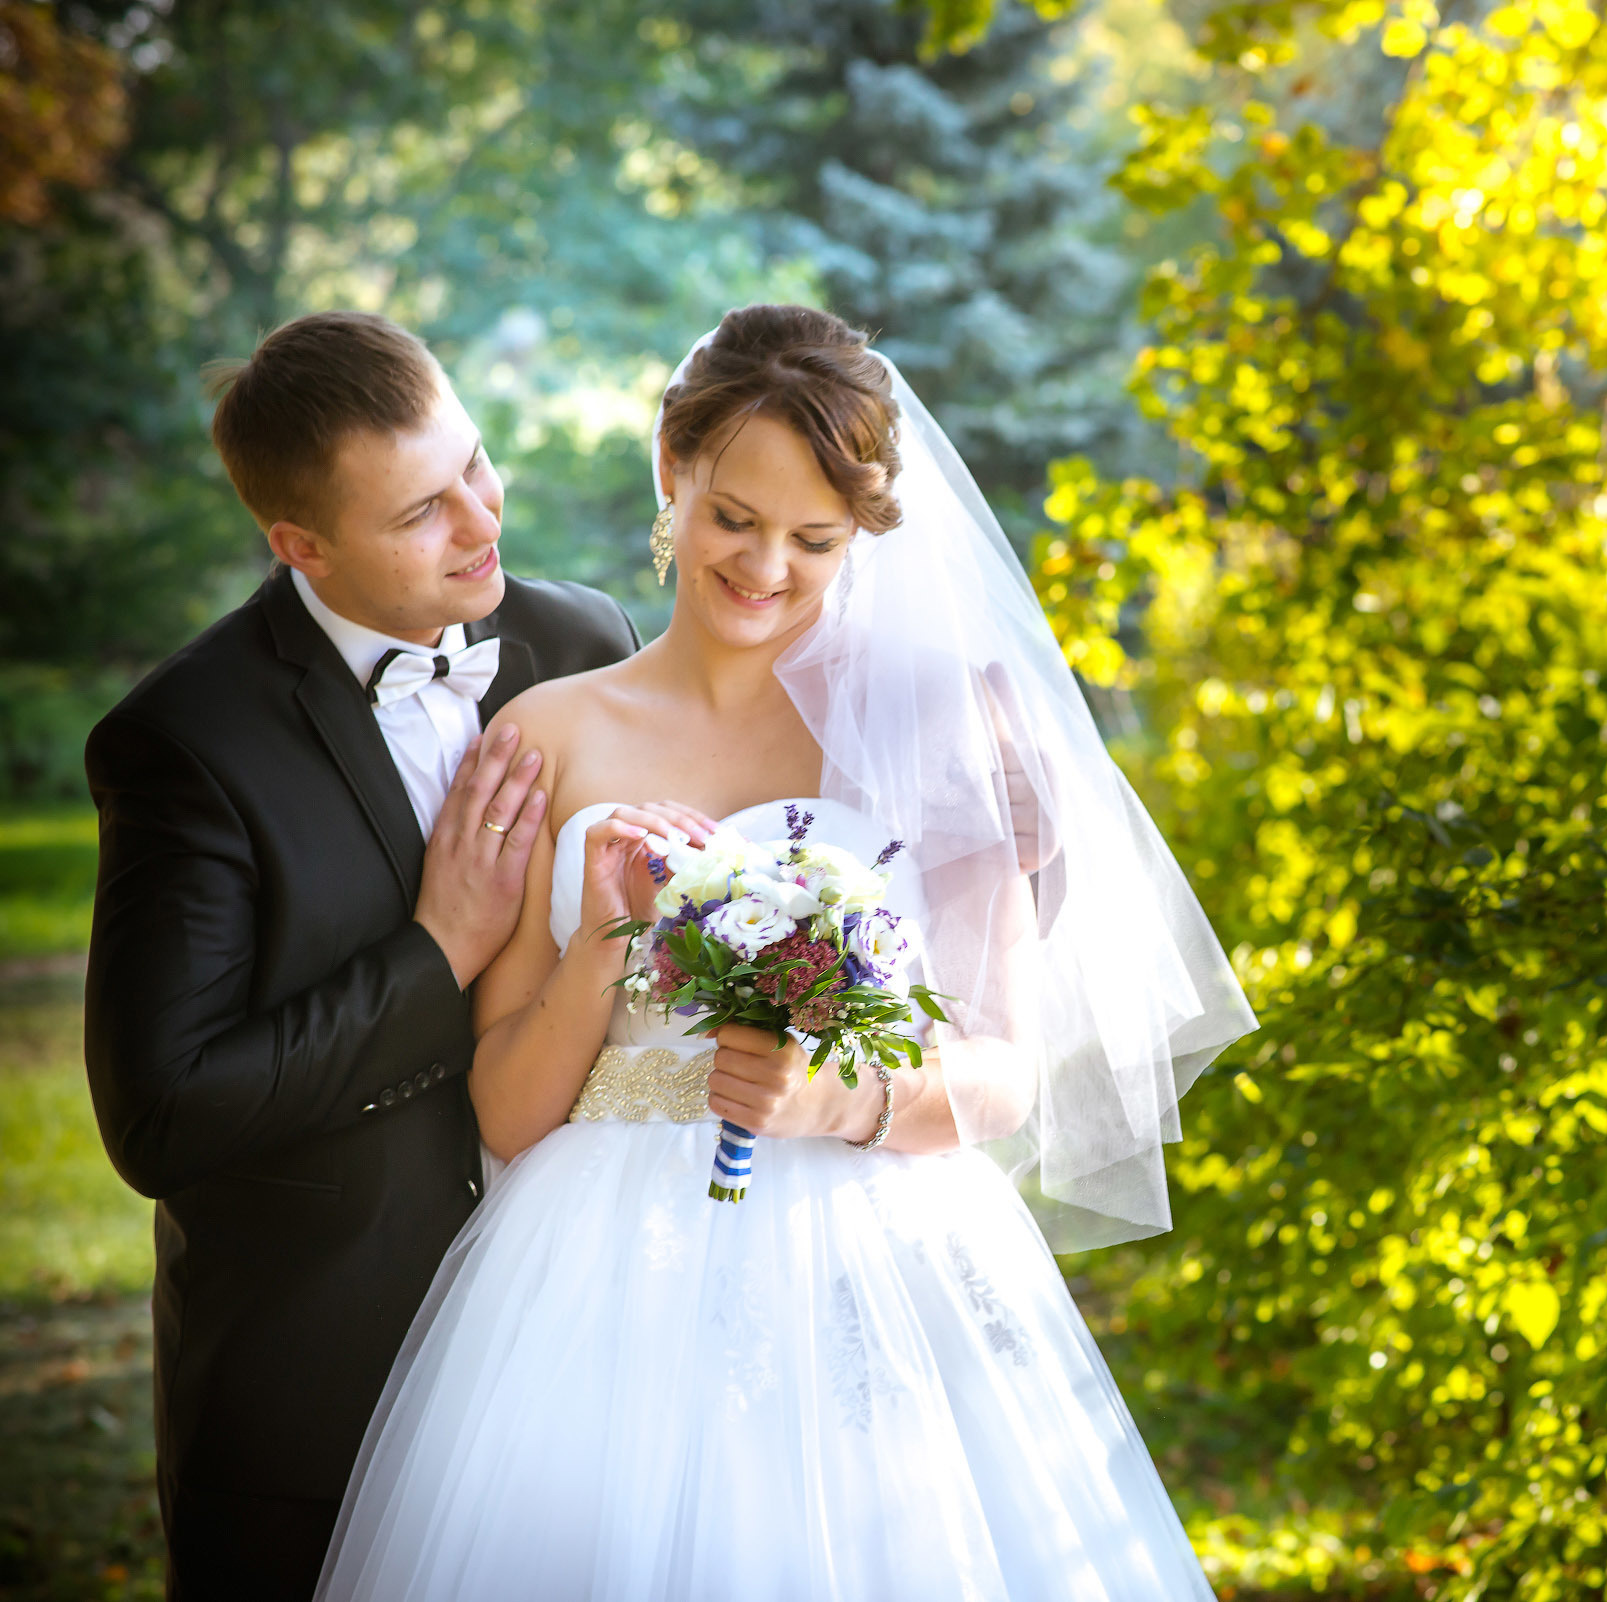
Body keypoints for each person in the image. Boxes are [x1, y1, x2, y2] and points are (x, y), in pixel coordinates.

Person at [314, 304, 1256, 1600]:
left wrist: (845, 1097)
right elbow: (505, 1112)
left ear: (868, 532)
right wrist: (603, 938)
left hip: (880, 1266)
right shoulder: (544, 736)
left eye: (814, 540)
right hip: (598, 1285)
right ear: (672, 474)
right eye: (732, 519)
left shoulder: (944, 722)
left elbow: (1002, 1070)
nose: (764, 567)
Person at [82, 310, 643, 1599]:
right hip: (319, 1392)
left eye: (477, 468)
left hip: (586, 1350)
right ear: (302, 547)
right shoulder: (184, 742)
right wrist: (438, 954)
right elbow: (162, 1116)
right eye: (420, 515)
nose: (483, 521)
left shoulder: (583, 645)